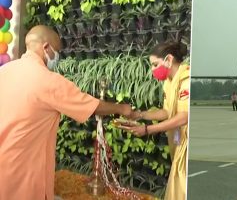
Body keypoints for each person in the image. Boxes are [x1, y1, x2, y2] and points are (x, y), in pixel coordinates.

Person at [0, 25, 132, 200]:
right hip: (23, 169)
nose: (57, 57)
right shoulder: (47, 80)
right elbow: (90, 105)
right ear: (46, 47)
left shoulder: (5, 70)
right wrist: (122, 108)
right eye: (57, 51)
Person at [119, 41, 189, 200]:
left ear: (169, 60)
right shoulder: (169, 82)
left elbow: (184, 116)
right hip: (178, 144)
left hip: (187, 146)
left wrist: (147, 130)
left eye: (155, 64)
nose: (152, 70)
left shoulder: (186, 79)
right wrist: (139, 115)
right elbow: (167, 112)